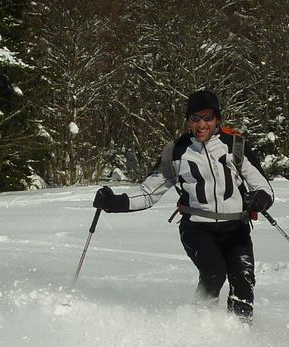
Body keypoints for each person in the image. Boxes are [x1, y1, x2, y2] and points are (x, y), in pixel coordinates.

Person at [91, 90, 274, 322]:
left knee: (243, 280)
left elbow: (264, 187)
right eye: (195, 118)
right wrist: (114, 202)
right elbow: (148, 194)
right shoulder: (175, 152)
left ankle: (239, 334)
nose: (201, 124)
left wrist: (260, 199)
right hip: (197, 229)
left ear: (217, 119)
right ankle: (198, 328)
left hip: (235, 228)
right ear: (188, 121)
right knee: (214, 273)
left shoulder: (235, 146)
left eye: (207, 117)